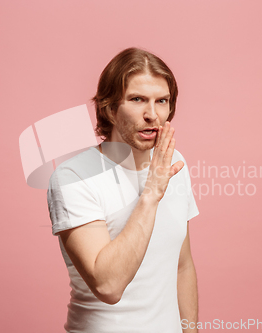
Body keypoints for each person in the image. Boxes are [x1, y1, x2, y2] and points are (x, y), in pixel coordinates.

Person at [47, 47, 200, 333]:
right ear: (110, 108)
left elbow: (182, 266)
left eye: (162, 101)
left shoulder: (175, 163)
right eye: (137, 99)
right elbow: (108, 286)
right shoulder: (73, 177)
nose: (152, 114)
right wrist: (151, 193)